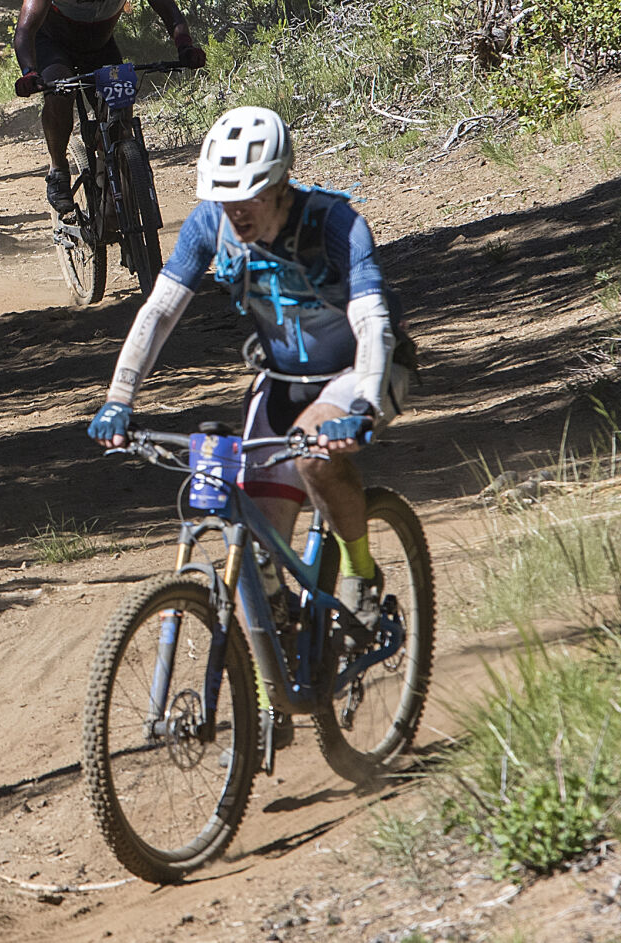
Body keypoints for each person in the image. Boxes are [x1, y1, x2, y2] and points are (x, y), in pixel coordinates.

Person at [87, 106, 413, 652]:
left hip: (362, 369)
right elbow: (160, 311)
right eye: (222, 195)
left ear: (281, 184)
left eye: (249, 196)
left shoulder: (336, 224)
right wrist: (119, 397)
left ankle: (360, 572)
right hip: (283, 376)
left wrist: (360, 407)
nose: (235, 210)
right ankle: (273, 688)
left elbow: (371, 320)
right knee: (255, 550)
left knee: (313, 456)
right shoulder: (210, 223)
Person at [12, 0, 205, 216]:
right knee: (60, 93)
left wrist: (184, 46)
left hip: (99, 45)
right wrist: (29, 70)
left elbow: (170, 12)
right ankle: (59, 168)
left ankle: (112, 175)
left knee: (120, 107)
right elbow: (25, 29)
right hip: (55, 44)